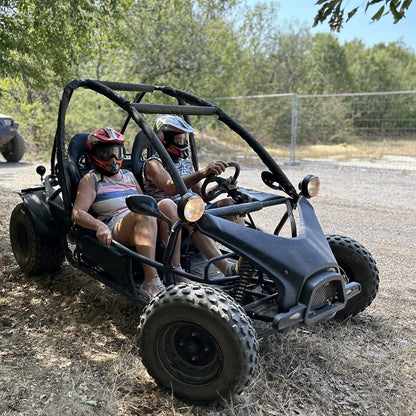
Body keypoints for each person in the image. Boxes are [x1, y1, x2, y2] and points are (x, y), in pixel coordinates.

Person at [71, 126, 183, 298]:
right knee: (142, 211)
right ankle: (150, 281)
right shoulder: (91, 179)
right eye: (106, 153)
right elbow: (77, 213)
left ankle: (176, 271)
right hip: (115, 225)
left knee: (167, 204)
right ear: (94, 155)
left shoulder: (128, 175)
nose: (113, 158)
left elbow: (147, 201)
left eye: (117, 152)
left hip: (139, 220)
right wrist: (99, 225)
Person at [142, 115, 240, 276]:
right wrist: (203, 172)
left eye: (184, 138)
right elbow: (171, 188)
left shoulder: (186, 163)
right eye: (179, 138)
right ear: (162, 138)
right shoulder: (153, 163)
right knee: (192, 213)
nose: (183, 143)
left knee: (230, 204)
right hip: (168, 216)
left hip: (191, 208)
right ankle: (227, 269)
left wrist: (222, 187)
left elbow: (202, 193)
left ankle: (246, 259)